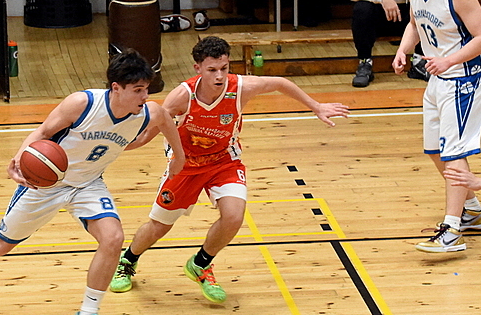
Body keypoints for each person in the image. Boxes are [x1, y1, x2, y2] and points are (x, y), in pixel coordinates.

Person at [0, 50, 186, 315]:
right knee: (2, 243)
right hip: (48, 182)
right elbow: (42, 132)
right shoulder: (82, 103)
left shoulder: (148, 112)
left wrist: (179, 157)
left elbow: (165, 120)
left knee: (113, 238)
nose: (145, 96)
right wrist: (19, 158)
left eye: (146, 89)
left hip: (88, 183)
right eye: (138, 90)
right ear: (116, 88)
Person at [109, 36, 349, 301]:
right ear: (198, 68)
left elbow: (281, 83)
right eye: (212, 70)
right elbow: (153, 128)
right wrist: (118, 145)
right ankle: (128, 260)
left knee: (234, 216)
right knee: (159, 226)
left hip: (224, 161)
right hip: (187, 164)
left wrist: (316, 106)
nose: (220, 76)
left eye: (224, 68)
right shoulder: (182, 96)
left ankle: (200, 264)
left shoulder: (241, 87)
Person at [393, 0, 481, 253]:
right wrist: (403, 50)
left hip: (466, 78)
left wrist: (448, 60)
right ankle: (473, 209)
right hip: (439, 76)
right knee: (434, 149)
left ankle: (452, 230)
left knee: (454, 152)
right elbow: (414, 24)